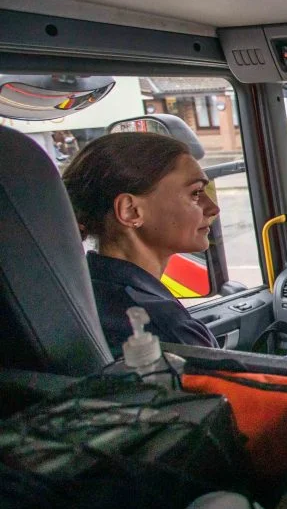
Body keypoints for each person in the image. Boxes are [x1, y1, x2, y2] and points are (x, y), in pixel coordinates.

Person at [63, 132, 220, 355]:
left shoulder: (84, 290)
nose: (213, 208)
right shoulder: (165, 330)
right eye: (195, 193)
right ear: (130, 211)